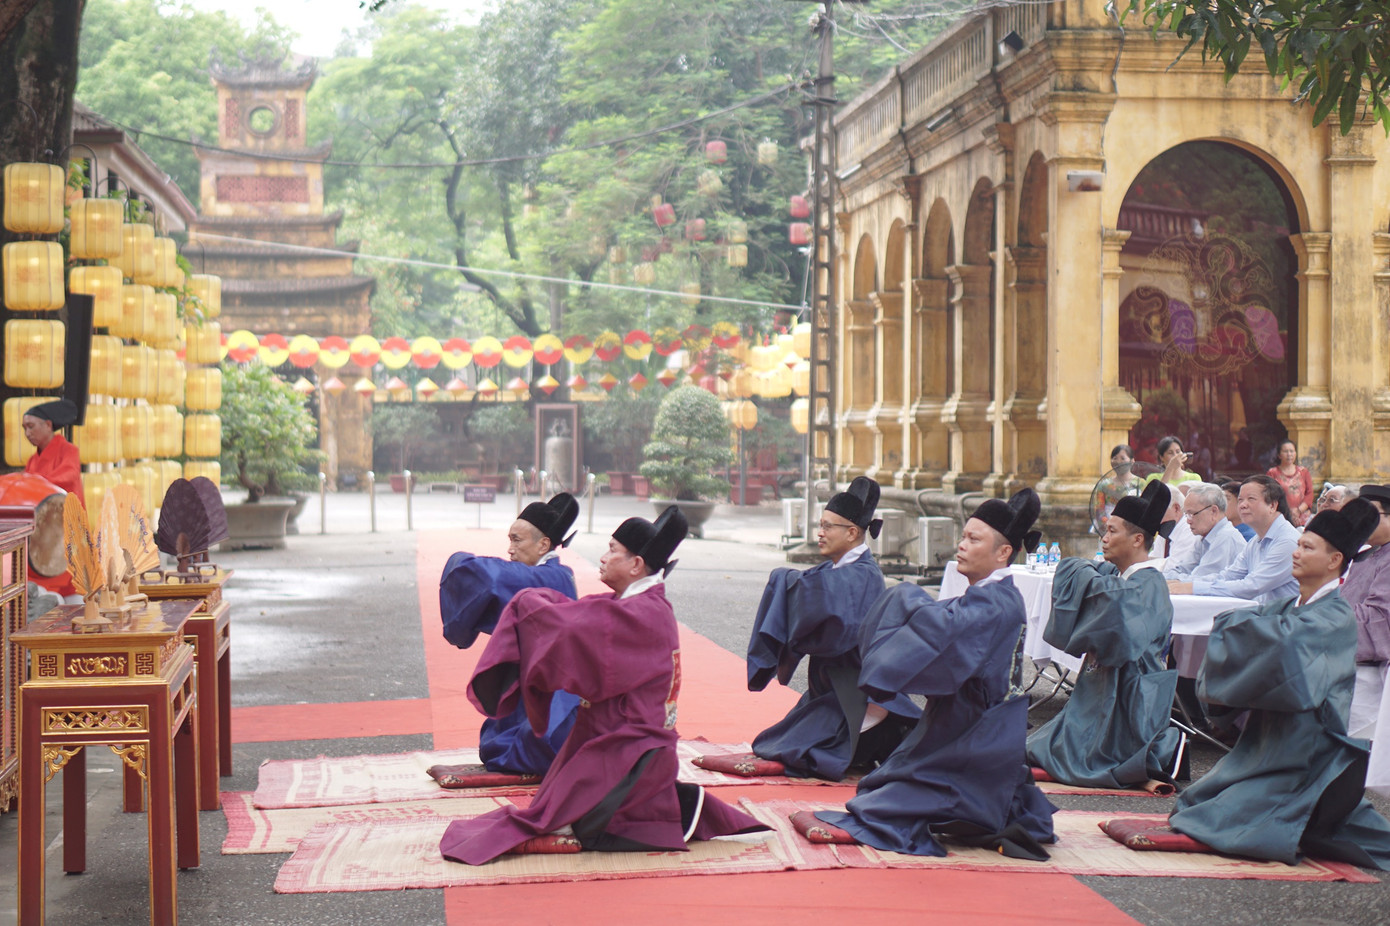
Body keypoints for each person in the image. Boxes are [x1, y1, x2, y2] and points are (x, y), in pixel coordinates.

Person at [439, 507, 767, 864]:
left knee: (567, 820)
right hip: (611, 735)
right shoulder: (635, 604)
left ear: (636, 565)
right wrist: (530, 604)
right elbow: (583, 614)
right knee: (554, 804)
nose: (603, 557)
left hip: (632, 748)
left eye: (612, 550)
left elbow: (576, 627)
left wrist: (527, 606)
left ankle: (632, 812)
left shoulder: (644, 613)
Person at [813, 489, 1056, 859]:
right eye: (963, 536)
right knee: (877, 787)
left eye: (974, 539)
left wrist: (906, 599)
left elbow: (946, 634)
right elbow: (950, 628)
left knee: (879, 805)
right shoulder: (993, 594)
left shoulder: (996, 601)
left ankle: (977, 803)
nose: (961, 545)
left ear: (1003, 552)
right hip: (963, 723)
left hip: (974, 736)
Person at [1169, 501, 1390, 869]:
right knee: (1193, 805)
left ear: (1335, 560)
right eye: (1298, 544)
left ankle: (1304, 817)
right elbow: (1236, 625)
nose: (1296, 553)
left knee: (1217, 821)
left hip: (1308, 754)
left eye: (1307, 547)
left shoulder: (1337, 616)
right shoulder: (1289, 607)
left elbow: (1281, 646)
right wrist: (1252, 634)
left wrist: (1253, 637)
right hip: (1266, 744)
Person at [745, 476, 919, 780]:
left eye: (827, 526)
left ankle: (876, 740)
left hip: (855, 695)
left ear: (852, 533)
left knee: (799, 753)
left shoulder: (863, 575)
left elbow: (819, 601)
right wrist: (786, 581)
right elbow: (813, 586)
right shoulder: (838, 569)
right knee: (771, 742)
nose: (820, 533)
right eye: (820, 525)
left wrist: (783, 580)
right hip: (829, 690)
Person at [1026, 480, 1185, 789]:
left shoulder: (1149, 584)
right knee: (1039, 749)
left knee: (1062, 754)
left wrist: (1089, 580)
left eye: (1113, 531)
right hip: (1102, 694)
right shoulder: (1117, 576)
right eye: (1105, 530)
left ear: (1137, 539)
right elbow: (1078, 570)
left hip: (1128, 704)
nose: (1105, 538)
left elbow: (1116, 619)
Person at [438, 494, 581, 775]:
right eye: (510, 540)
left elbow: (490, 577)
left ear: (543, 545)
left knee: (504, 748)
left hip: (555, 702)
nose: (510, 549)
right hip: (538, 688)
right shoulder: (550, 574)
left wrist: (456, 560)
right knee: (497, 742)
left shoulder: (550, 577)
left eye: (517, 540)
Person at [1169, 475, 1299, 604]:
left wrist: (1192, 587)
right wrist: (1182, 584)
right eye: (1240, 500)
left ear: (1272, 505)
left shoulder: (1287, 541)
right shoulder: (1255, 541)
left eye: (1251, 499)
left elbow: (1252, 586)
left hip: (1282, 615)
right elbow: (1228, 576)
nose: (1243, 505)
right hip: (1261, 612)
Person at [1344, 484, 1390, 740]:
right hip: (1344, 650)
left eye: (1371, 514)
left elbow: (1379, 619)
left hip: (1371, 669)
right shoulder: (1365, 555)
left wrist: (1327, 619)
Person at [1162, 483, 1247, 582]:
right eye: (1186, 514)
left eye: (1192, 514)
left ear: (1214, 511)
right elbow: (1182, 569)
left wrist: (1170, 580)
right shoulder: (1203, 537)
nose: (1188, 521)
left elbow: (1200, 581)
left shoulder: (1225, 537)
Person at [22, 399, 83, 501]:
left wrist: (35, 481)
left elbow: (68, 477)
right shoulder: (32, 460)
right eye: (25, 428)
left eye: (31, 426)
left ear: (48, 425)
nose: (27, 433)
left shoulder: (69, 450)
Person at [1268, 439, 1314, 526]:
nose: (1289, 454)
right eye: (1285, 451)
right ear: (1279, 455)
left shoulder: (1303, 472)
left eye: (1292, 451)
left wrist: (1298, 510)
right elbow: (1270, 495)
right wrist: (1288, 513)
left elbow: (1310, 493)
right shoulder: (1272, 473)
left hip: (1303, 517)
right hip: (1282, 516)